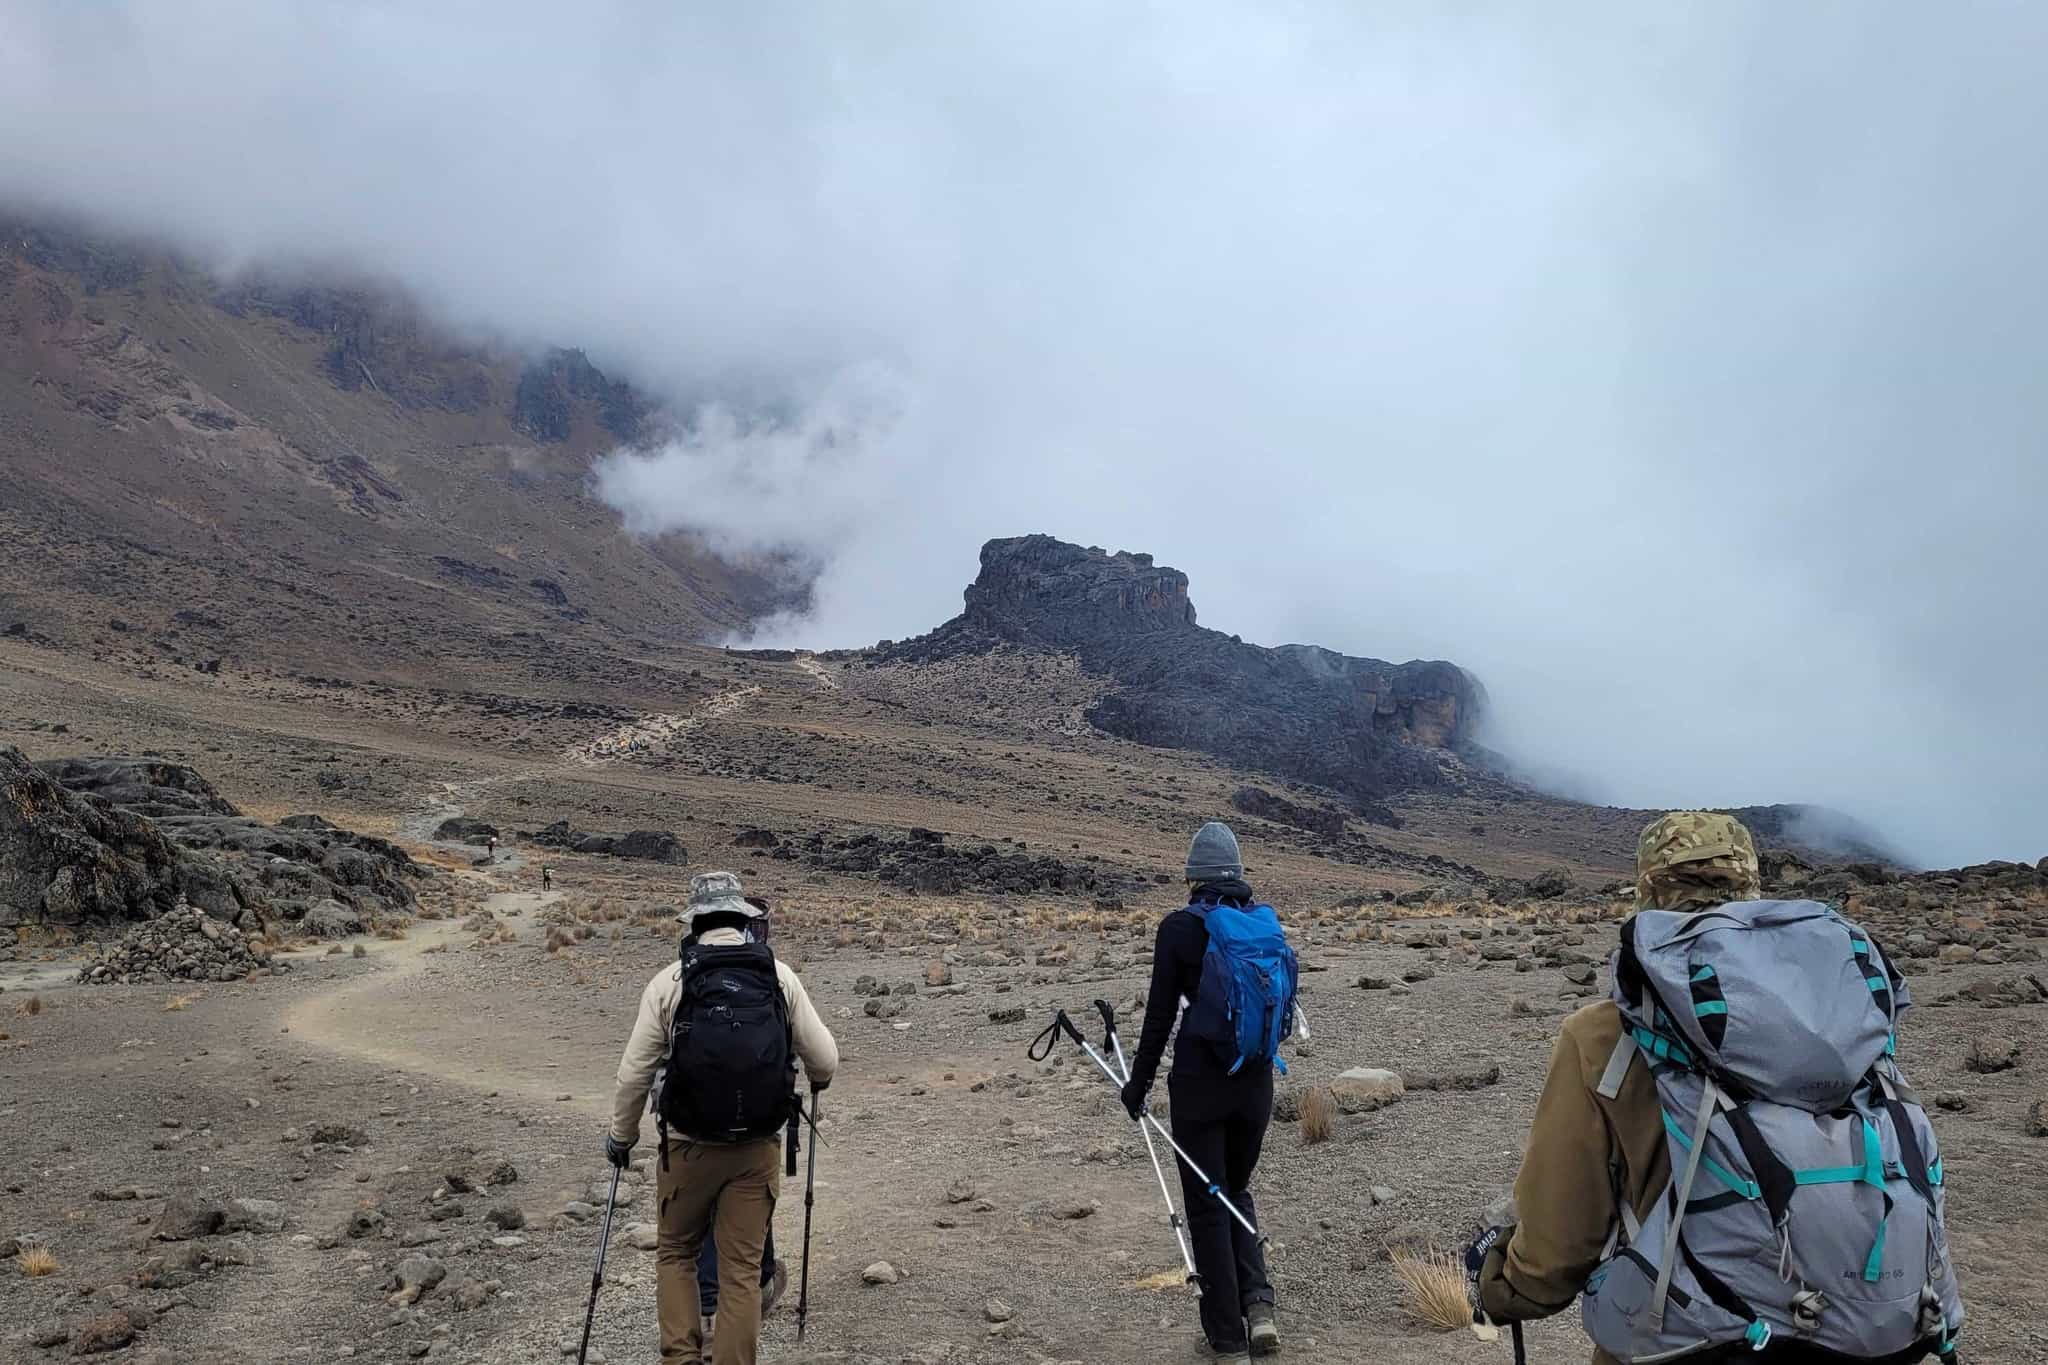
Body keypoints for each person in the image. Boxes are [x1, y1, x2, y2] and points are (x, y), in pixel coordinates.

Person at [1473, 812, 1962, 1364]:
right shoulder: (1842, 1017)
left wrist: (1502, 1286)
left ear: (1647, 891)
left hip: (1691, 1342)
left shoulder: (1605, 1034)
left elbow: (1559, 1245)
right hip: (1866, 1330)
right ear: (1753, 891)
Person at [607, 873, 838, 1365]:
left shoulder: (670, 981)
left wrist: (620, 1138)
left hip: (687, 1148)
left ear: (695, 923)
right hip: (756, 1148)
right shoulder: (780, 976)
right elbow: (825, 1060)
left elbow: (633, 1075)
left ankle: (682, 1358)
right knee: (740, 1270)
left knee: (675, 1255)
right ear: (744, 920)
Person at [1120, 822, 1279, 1364]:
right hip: (1256, 1084)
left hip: (1198, 1089)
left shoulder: (1180, 929)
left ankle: (1227, 1341)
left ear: (1193, 875)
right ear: (1237, 873)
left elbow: (1160, 1018)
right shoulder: (1263, 924)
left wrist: (1136, 1086)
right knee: (1236, 1190)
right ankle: (1259, 1308)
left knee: (1208, 1206)